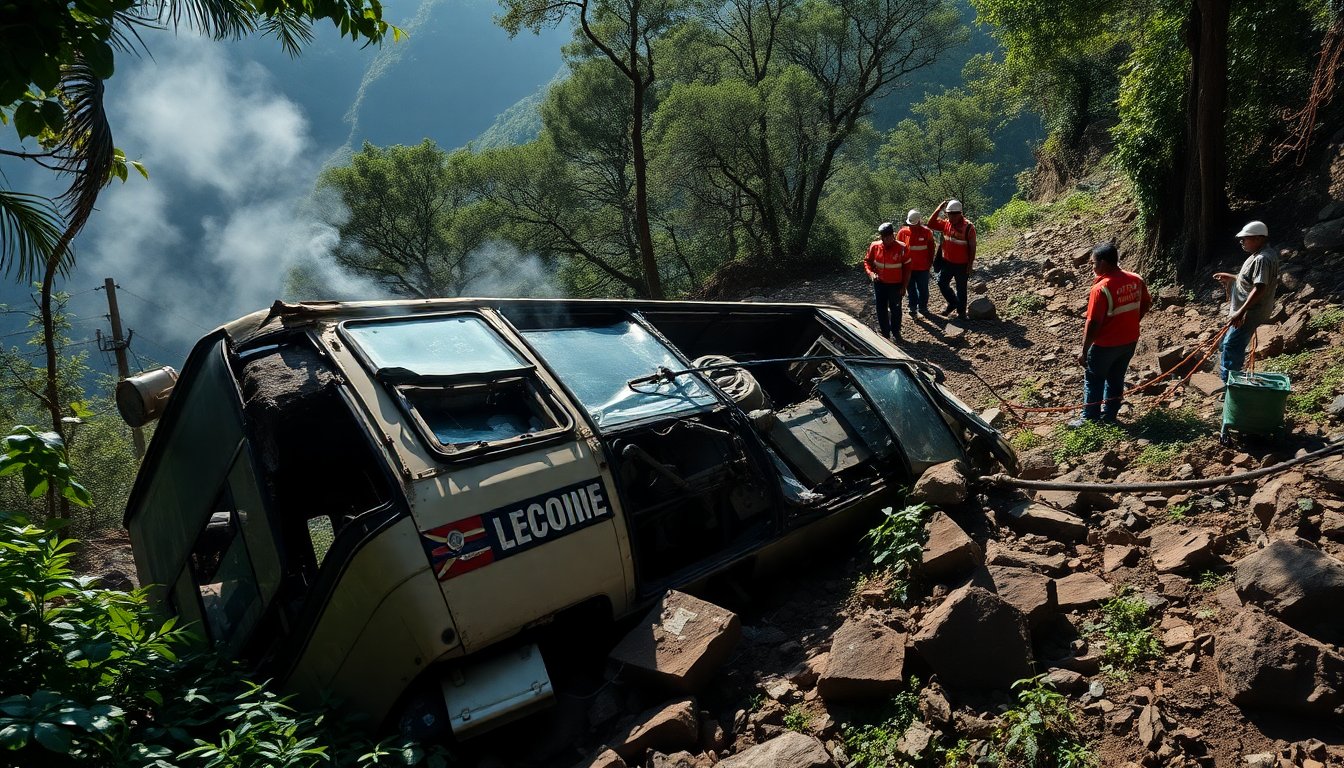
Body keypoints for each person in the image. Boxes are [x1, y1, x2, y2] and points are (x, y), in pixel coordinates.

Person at [1069, 243, 1152, 427]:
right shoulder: (1136, 279)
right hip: (1130, 341)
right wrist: (1132, 321)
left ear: (1104, 263)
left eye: (1093, 263)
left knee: (1094, 380)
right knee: (1116, 378)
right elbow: (1146, 303)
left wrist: (1084, 350)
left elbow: (1093, 323)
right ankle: (1110, 415)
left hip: (1105, 345)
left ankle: (1089, 419)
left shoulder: (1101, 288)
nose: (1092, 267)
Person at [1214, 220, 1279, 382]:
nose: (1242, 242)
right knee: (1227, 344)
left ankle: (1230, 387)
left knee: (1231, 346)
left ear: (1258, 238)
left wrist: (1240, 312)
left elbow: (1259, 288)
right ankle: (1229, 381)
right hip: (1246, 311)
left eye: (1246, 238)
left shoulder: (1262, 259)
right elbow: (1251, 281)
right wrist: (1233, 278)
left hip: (1249, 312)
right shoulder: (1260, 256)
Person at [928, 199, 977, 319]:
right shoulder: (946, 224)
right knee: (941, 283)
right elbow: (930, 224)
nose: (951, 217)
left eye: (954, 215)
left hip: (962, 264)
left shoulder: (969, 227)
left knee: (961, 289)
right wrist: (938, 209)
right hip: (947, 262)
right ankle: (953, 302)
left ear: (960, 214)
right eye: (949, 214)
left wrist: (970, 265)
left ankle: (961, 313)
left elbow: (972, 247)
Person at [863, 221, 911, 340]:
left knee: (896, 309)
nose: (888, 239)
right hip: (879, 284)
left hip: (895, 285)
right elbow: (867, 262)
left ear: (893, 235)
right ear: (882, 237)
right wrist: (871, 274)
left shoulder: (902, 248)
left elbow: (907, 269)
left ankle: (896, 332)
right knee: (881, 309)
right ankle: (885, 334)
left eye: (890, 236)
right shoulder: (875, 246)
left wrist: (904, 286)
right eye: (885, 237)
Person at [898, 209, 935, 319]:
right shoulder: (902, 233)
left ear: (919, 221)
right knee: (911, 289)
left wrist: (930, 262)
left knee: (923, 289)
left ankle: (923, 307)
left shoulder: (927, 232)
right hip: (908, 268)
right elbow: (898, 249)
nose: (911, 226)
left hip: (923, 267)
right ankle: (913, 307)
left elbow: (931, 248)